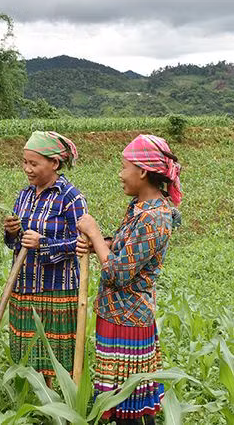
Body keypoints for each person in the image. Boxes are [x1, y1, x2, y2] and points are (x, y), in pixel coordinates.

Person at [76, 134, 182, 424]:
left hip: (129, 319)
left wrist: (96, 235)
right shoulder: (139, 207)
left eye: (124, 167)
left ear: (143, 171)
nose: (120, 175)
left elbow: (119, 273)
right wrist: (104, 244)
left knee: (129, 403)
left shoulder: (155, 217)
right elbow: (128, 250)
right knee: (120, 399)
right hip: (116, 314)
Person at [4, 131, 87, 387]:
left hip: (57, 286)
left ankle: (57, 397)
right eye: (25, 162)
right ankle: (32, 393)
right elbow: (15, 244)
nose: (27, 169)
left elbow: (83, 243)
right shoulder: (24, 195)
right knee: (27, 347)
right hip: (24, 282)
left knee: (54, 348)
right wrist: (12, 232)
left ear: (54, 163)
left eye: (34, 163)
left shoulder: (71, 198)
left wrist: (45, 244)